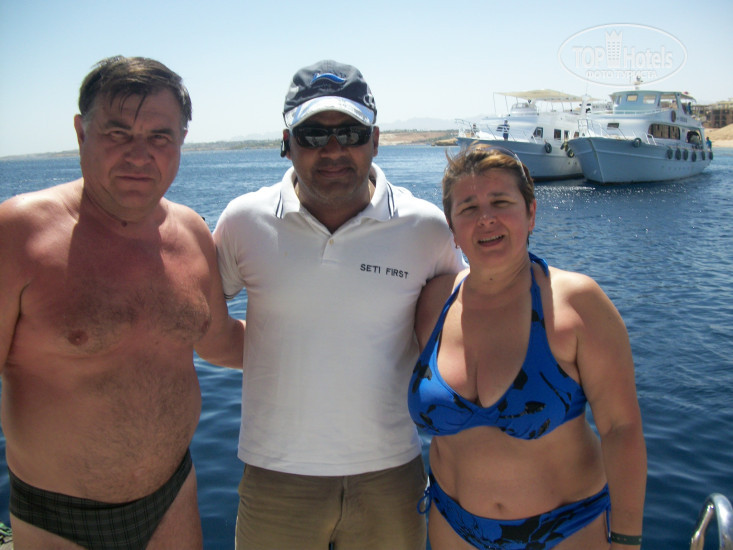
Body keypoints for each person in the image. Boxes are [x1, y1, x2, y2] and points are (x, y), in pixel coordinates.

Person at [212, 59, 465, 549]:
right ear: (286, 143)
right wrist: (276, 350)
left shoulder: (426, 227)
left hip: (391, 474)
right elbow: (204, 323)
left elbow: (460, 329)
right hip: (275, 476)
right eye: (312, 135)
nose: (332, 150)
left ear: (375, 139)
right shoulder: (243, 221)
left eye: (350, 133)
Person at [0, 56, 244, 549]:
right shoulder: (19, 234)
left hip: (173, 498)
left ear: (181, 141)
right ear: (81, 132)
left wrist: (329, 338)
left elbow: (220, 343)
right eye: (118, 133)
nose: (139, 154)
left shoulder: (192, 233)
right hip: (59, 521)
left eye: (159, 136)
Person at [408, 145, 646, 550]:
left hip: (565, 530)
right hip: (453, 525)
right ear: (452, 227)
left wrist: (625, 540)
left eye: (501, 202)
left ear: (531, 213)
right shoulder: (433, 301)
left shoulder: (576, 303)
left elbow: (620, 429)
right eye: (468, 207)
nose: (486, 218)